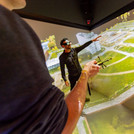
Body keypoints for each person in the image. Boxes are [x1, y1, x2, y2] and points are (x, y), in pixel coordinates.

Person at [0, 0, 101, 134]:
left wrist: (92, 41)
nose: (69, 45)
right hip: (73, 77)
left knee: (81, 89)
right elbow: (59, 125)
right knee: (74, 88)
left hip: (78, 74)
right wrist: (80, 74)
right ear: (63, 46)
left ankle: (84, 97)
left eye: (70, 43)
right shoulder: (7, 28)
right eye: (67, 44)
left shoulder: (74, 51)